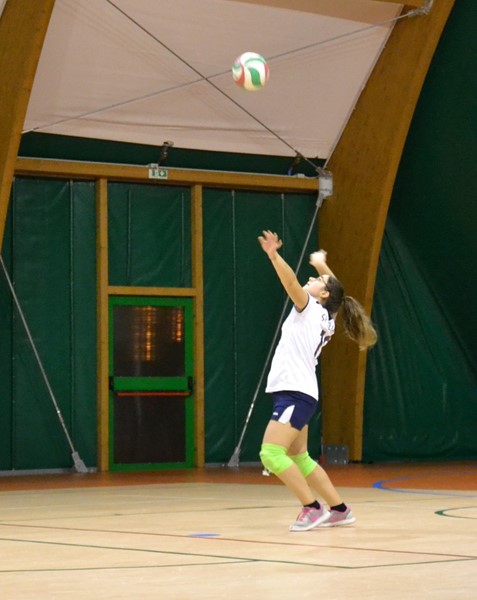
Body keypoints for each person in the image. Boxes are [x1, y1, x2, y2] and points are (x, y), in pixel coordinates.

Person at [257, 230, 377, 532]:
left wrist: (274, 255)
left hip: (294, 392)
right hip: (302, 392)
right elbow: (335, 289)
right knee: (300, 457)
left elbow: (290, 283)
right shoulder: (328, 316)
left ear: (322, 294)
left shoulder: (310, 308)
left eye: (317, 280)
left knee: (270, 454)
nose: (310, 279)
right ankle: (339, 510)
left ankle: (311, 508)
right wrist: (321, 265)